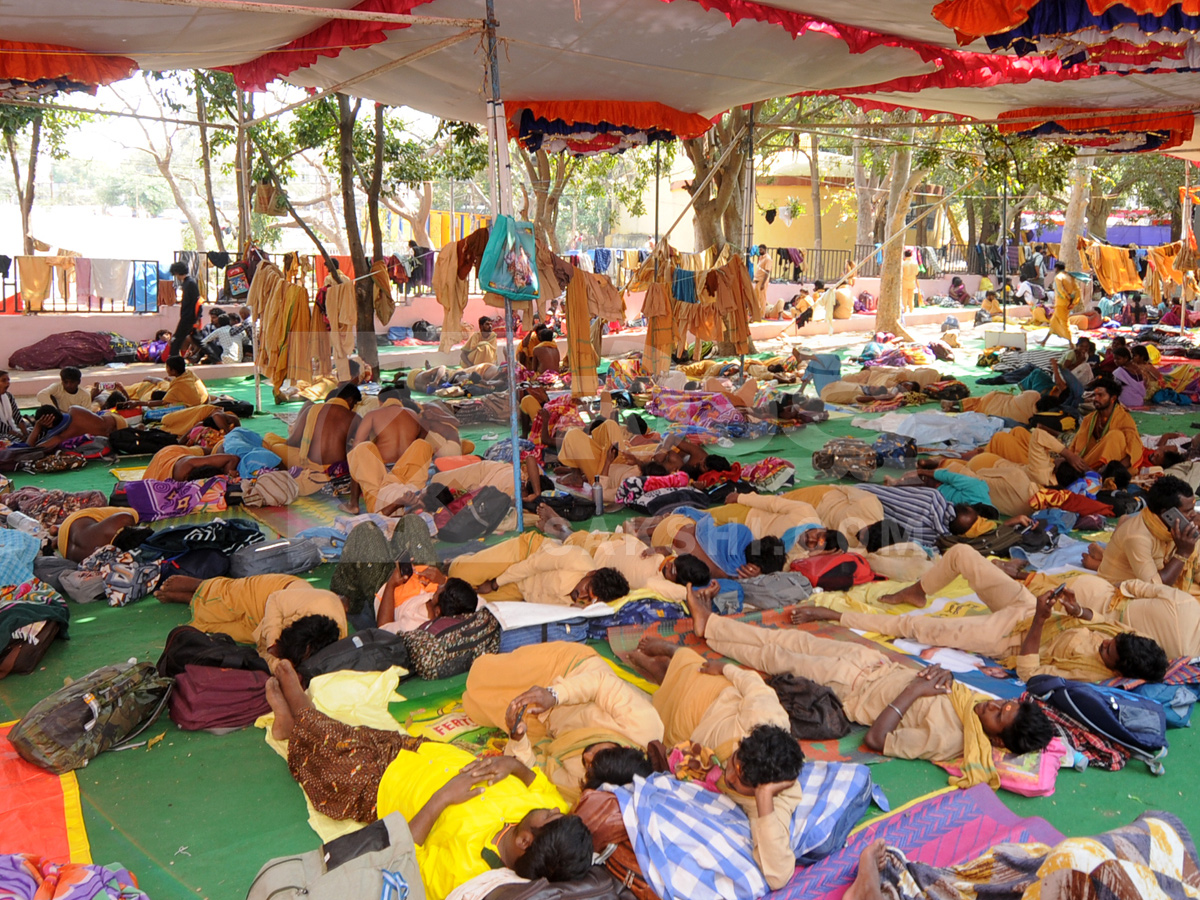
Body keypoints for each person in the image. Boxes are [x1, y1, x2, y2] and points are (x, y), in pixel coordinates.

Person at [264, 660, 593, 900]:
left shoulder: (465, 871)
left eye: (550, 816)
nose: (554, 808)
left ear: (525, 842)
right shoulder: (546, 811)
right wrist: (512, 765)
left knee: (328, 761)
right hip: (424, 752)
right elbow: (537, 784)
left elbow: (403, 856)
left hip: (385, 787)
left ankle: (298, 718)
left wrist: (442, 798)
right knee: (354, 736)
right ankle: (300, 723)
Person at [683, 590, 1053, 763]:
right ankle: (710, 625)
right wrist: (936, 675)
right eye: (1003, 704)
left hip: (851, 688)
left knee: (774, 656)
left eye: (998, 715)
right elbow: (935, 682)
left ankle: (708, 627)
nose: (992, 705)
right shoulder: (971, 704)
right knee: (788, 640)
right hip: (871, 663)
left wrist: (915, 689)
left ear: (998, 741)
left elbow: (877, 739)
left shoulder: (949, 739)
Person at [821, 543, 1169, 683]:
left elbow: (1030, 672)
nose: (1104, 644)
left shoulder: (1089, 675)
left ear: (1116, 670)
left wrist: (1039, 622)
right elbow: (1101, 621)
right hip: (1029, 609)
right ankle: (918, 590)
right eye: (1109, 642)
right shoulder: (1128, 641)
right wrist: (1077, 610)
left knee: (920, 628)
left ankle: (836, 617)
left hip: (1010, 638)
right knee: (962, 554)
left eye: (1106, 652)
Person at [462, 642, 663, 802]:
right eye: (598, 754)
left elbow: (535, 771)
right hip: (569, 672)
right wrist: (554, 694)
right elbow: (601, 683)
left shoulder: (580, 784)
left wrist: (518, 738)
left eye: (588, 766)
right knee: (481, 674)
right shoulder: (644, 726)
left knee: (473, 707)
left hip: (547, 726)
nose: (587, 755)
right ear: (624, 748)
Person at [155, 573, 348, 670]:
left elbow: (269, 656)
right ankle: (202, 585)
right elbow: (275, 599)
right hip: (271, 593)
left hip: (267, 623)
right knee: (227, 597)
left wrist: (276, 664)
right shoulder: (321, 601)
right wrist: (272, 643)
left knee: (220, 628)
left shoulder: (331, 646)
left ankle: (192, 600)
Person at [448, 533, 630, 606]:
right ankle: (464, 557)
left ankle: (479, 561)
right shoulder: (577, 558)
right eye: (586, 589)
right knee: (458, 574)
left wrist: (574, 609)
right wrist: (495, 583)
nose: (582, 596)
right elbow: (532, 565)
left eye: (590, 598)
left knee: (467, 601)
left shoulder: (586, 604)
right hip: (524, 555)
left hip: (521, 589)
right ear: (591, 573)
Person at [1094, 475, 1199, 591]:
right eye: (1188, 511)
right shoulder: (1137, 536)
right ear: (1168, 514)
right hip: (1122, 592)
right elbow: (1156, 588)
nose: (1194, 514)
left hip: (1158, 582)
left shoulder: (1168, 527)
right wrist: (1183, 553)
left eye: (1193, 509)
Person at [263, 382, 361, 483]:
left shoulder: (312, 409)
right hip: (339, 469)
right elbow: (362, 448)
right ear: (350, 400)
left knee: (270, 439)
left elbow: (293, 441)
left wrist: (304, 444)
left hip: (310, 465)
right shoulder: (356, 418)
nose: (353, 407)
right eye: (354, 404)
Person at [1064, 375, 1143, 471]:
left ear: (1113, 398)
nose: (1096, 399)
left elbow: (1135, 449)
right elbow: (1075, 445)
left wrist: (1113, 470)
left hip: (1116, 467)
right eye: (1095, 395)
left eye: (1101, 395)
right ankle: (1087, 470)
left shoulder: (1124, 419)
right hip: (1090, 465)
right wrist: (1069, 458)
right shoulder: (1089, 419)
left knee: (1115, 435)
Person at [57, 508, 148, 562]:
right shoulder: (112, 557)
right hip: (66, 552)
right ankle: (56, 534)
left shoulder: (123, 519)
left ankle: (57, 530)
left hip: (71, 523)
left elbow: (136, 512)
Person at [25, 403, 126, 450]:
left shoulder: (62, 436)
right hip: (116, 419)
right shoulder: (74, 409)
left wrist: (37, 427)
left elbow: (29, 450)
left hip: (118, 431)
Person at [168, 260, 201, 358]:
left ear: (177, 272)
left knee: (177, 339)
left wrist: (197, 317)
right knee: (196, 339)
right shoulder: (187, 283)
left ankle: (173, 357)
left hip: (188, 317)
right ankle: (213, 356)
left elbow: (197, 301)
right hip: (187, 316)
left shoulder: (190, 283)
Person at [1039, 262, 1077, 346]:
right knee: (1053, 323)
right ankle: (1044, 341)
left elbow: (1060, 290)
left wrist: (1067, 298)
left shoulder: (1058, 277)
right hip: (1065, 304)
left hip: (1061, 304)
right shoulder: (1070, 277)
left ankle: (1071, 344)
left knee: (1064, 324)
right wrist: (1073, 302)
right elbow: (1077, 290)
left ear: (1056, 268)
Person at [0, 370, 28, 442]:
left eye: (8, 380)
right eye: (3, 380)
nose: (7, 383)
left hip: (12, 430)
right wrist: (19, 436)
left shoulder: (8, 396)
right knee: (9, 439)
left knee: (35, 431)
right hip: (2, 433)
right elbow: (2, 426)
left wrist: (26, 435)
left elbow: (17, 417)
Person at [753, 244, 772, 319]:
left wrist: (763, 284)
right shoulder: (761, 258)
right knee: (756, 298)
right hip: (757, 280)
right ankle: (756, 313)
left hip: (762, 281)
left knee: (762, 299)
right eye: (759, 250)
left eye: (761, 250)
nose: (759, 251)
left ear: (765, 250)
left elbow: (767, 272)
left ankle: (762, 315)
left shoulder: (768, 259)